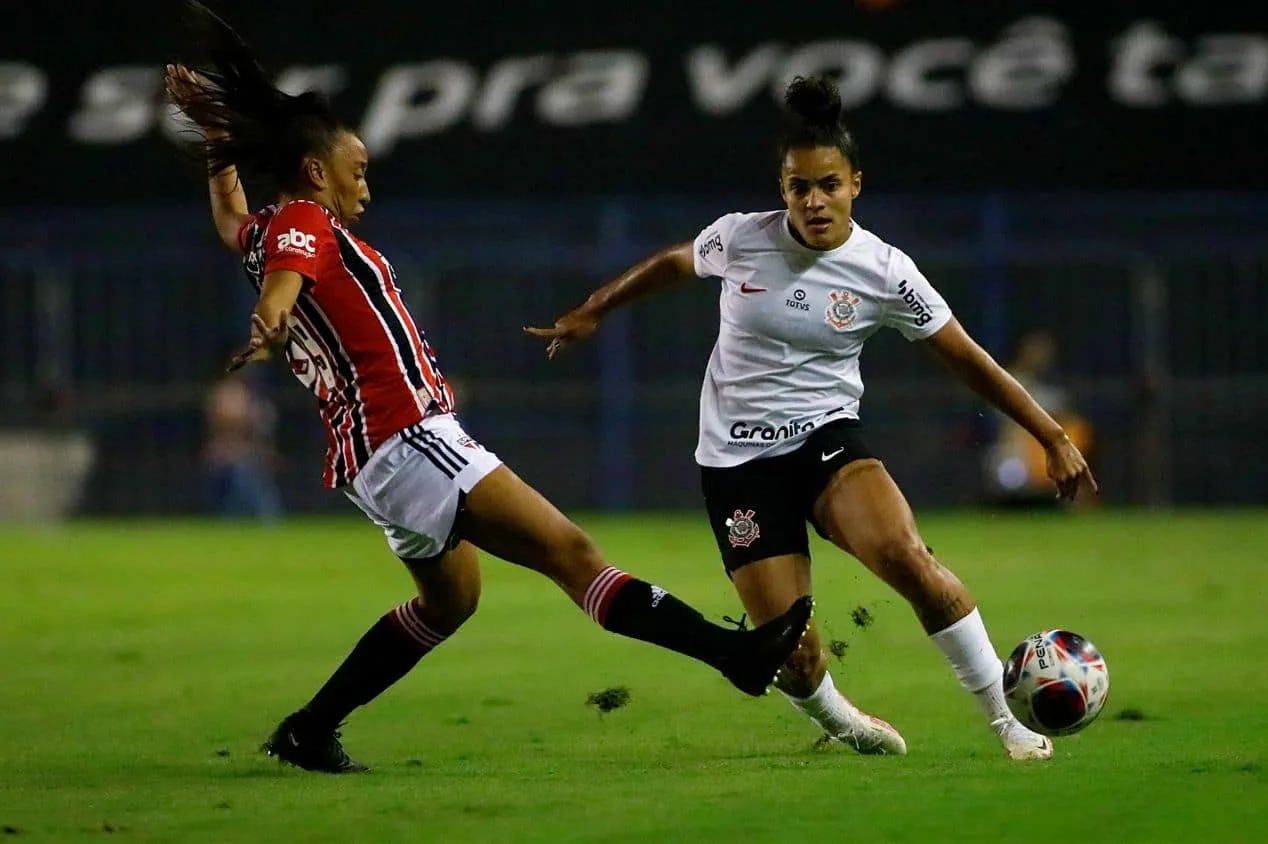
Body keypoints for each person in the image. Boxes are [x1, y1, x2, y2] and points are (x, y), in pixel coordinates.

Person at [163, 0, 811, 774]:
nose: (364, 185)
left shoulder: (271, 226)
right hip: (407, 434)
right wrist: (268, 320)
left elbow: (232, 217)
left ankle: (310, 728)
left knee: (451, 602)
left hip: (373, 455)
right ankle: (732, 655)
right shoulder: (304, 219)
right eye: (357, 169)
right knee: (571, 552)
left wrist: (214, 139)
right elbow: (285, 282)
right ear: (315, 170)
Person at [527, 75, 1098, 761]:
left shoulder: (886, 271)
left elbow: (968, 359)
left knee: (906, 557)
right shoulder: (742, 238)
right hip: (736, 466)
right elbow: (676, 263)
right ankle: (843, 722)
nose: (814, 200)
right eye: (799, 187)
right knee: (790, 655)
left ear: (856, 182)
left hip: (825, 442)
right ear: (783, 190)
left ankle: (1007, 725)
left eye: (829, 184)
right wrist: (596, 307)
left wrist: (1053, 434)